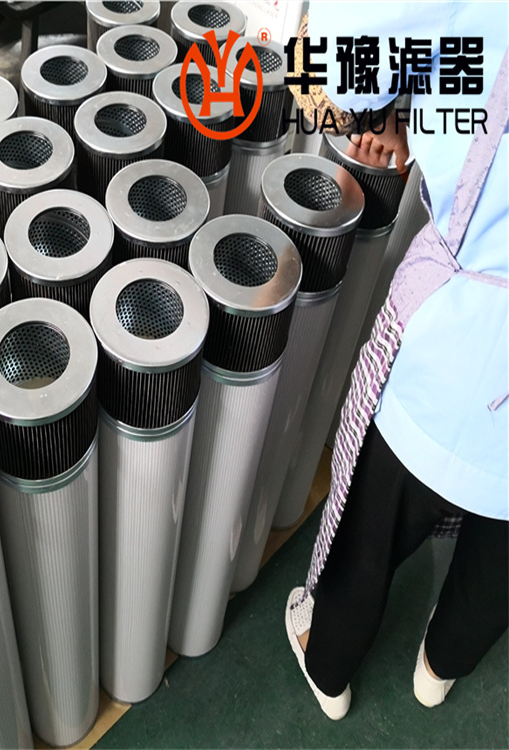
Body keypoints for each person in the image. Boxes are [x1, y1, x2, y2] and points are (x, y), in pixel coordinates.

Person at [284, 2, 508, 720]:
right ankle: (440, 667)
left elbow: (320, 72)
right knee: (500, 560)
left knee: (374, 525)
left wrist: (379, 114)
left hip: (460, 340)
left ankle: (328, 664)